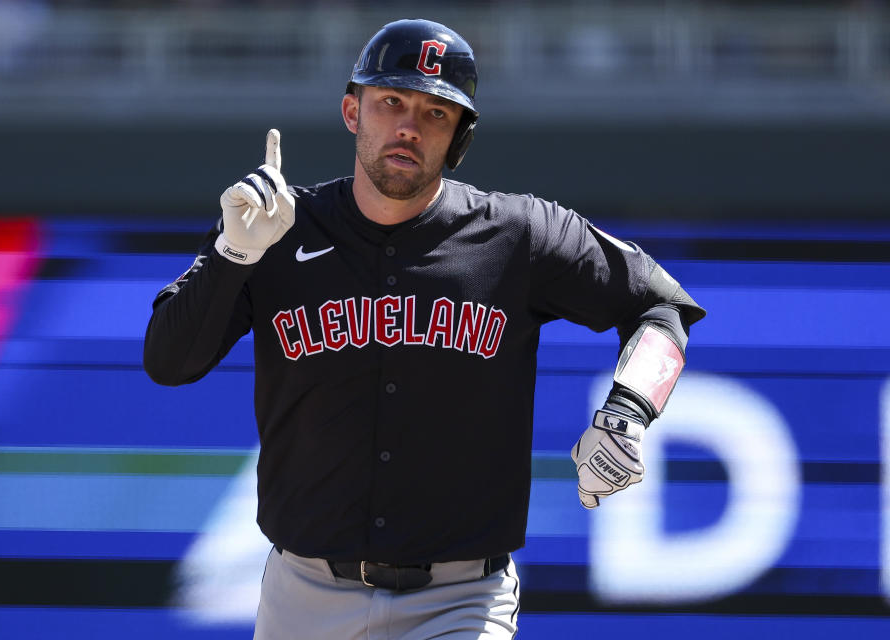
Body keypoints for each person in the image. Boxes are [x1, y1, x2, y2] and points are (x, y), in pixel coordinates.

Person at [144, 18, 705, 640]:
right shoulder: (276, 228)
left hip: (461, 598)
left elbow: (662, 308)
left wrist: (625, 414)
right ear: (351, 111)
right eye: (391, 102)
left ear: (459, 139)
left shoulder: (520, 235)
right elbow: (170, 362)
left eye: (436, 113)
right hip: (303, 595)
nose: (409, 126)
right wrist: (233, 255)